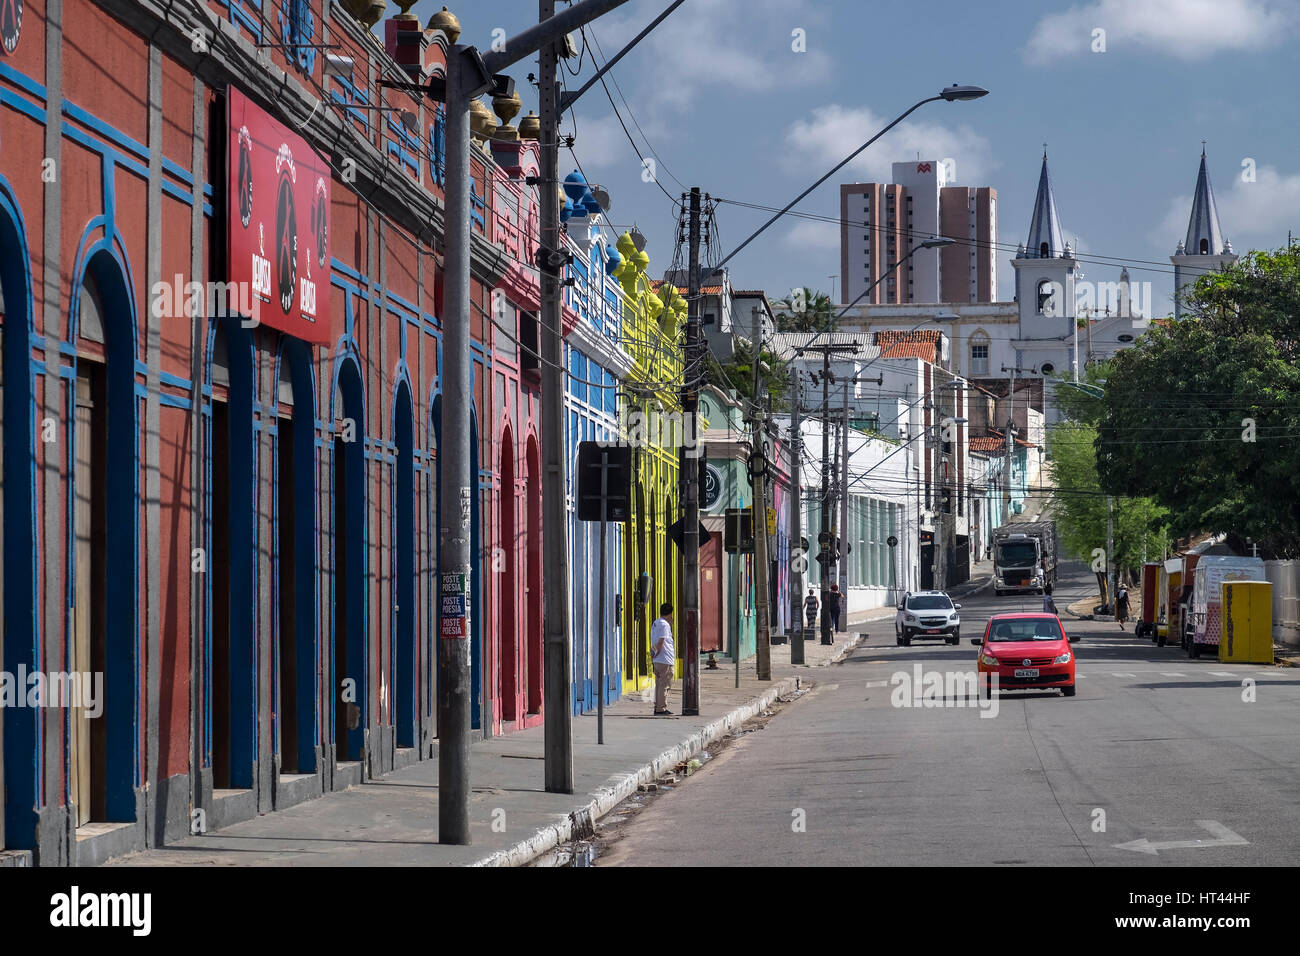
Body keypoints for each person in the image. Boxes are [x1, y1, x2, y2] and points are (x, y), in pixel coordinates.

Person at [651, 602, 675, 716]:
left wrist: (654, 655)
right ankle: (661, 708)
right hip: (665, 659)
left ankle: (657, 706)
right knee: (665, 685)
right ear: (670, 613)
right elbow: (661, 641)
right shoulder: (665, 625)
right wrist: (657, 653)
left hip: (658, 660)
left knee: (659, 685)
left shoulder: (656, 623)